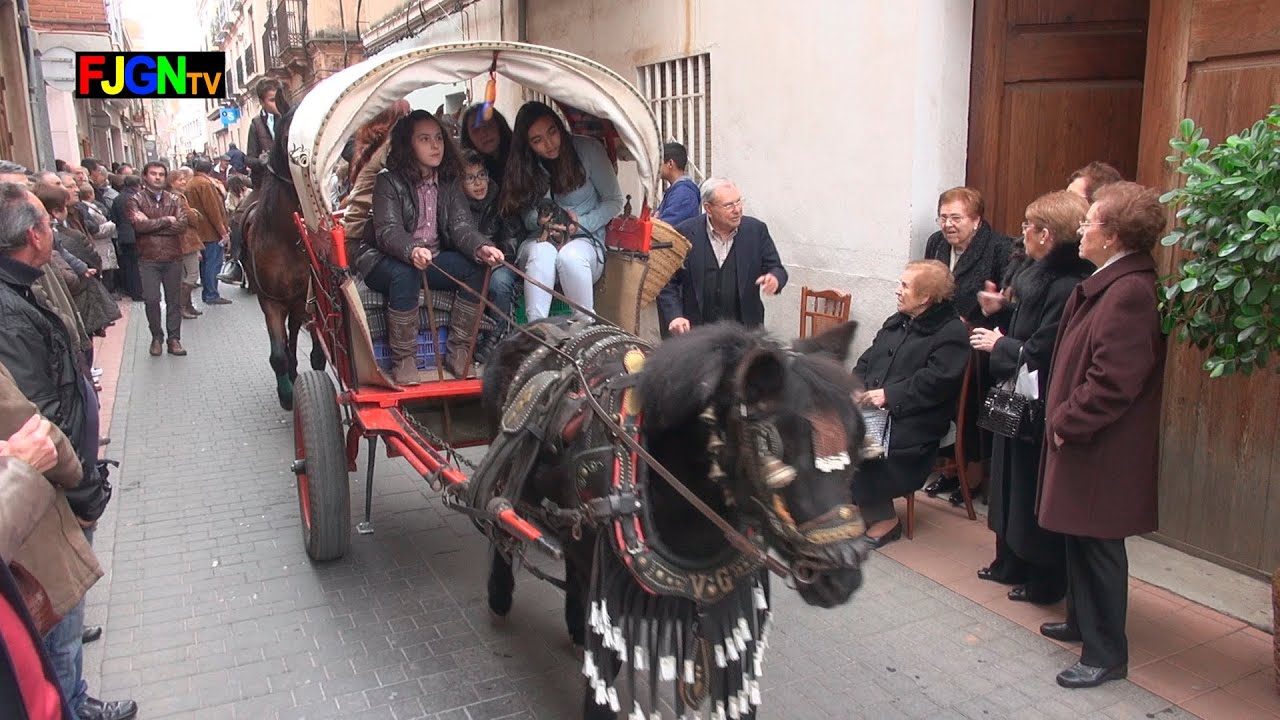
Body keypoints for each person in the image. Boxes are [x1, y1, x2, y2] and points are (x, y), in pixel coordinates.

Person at [0, 183, 134, 720]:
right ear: (35, 234)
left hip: (54, 480)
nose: (54, 232)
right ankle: (72, 703)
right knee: (54, 607)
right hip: (48, 488)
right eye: (49, 226)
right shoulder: (10, 311)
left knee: (62, 604)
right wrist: (83, 488)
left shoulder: (22, 289)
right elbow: (36, 418)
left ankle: (73, 692)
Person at [1037, 182, 1166, 689]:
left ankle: (1107, 653)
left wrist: (1067, 421)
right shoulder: (1110, 281)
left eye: (1090, 220)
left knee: (1100, 547)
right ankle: (1082, 622)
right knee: (1080, 537)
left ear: (1111, 236)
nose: (1081, 227)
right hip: (1087, 442)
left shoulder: (1130, 291)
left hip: (1100, 447)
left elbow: (1113, 382)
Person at [968, 191, 1093, 604]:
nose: (1021, 234)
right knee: (1003, 476)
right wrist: (998, 313)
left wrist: (999, 344)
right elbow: (1021, 325)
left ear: (1047, 234)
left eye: (1027, 226)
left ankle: (1043, 575)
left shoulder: (1067, 284)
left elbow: (1045, 346)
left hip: (1036, 398)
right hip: (1013, 391)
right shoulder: (1035, 274)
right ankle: (1010, 558)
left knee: (1026, 484)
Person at [354, 110, 505, 382]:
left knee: (477, 267)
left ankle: (460, 351)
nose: (435, 145)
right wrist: (412, 250)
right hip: (385, 260)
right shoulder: (388, 181)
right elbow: (388, 231)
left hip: (431, 258)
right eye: (425, 139)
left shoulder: (448, 181)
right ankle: (404, 359)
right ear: (408, 145)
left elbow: (461, 226)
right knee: (406, 273)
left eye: (438, 138)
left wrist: (482, 247)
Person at [850, 260, 969, 546]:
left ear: (925, 297)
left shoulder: (950, 332)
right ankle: (855, 503)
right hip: (878, 410)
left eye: (904, 285)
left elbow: (937, 381)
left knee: (864, 447)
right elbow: (868, 359)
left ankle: (885, 520)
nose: (897, 291)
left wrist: (889, 395)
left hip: (917, 418)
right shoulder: (899, 320)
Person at [499, 101, 624, 320]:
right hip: (539, 242)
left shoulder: (588, 150)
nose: (549, 144)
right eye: (537, 141)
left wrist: (581, 223)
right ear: (527, 145)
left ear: (560, 127)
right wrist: (540, 223)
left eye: (552, 132)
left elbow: (614, 201)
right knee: (542, 252)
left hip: (586, 241)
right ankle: (536, 333)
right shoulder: (526, 167)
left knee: (570, 257)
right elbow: (525, 215)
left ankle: (585, 327)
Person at [658, 178, 787, 333]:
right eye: (728, 205)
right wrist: (675, 316)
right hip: (697, 333)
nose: (737, 210)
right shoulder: (685, 233)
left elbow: (776, 268)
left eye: (738, 202)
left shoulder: (756, 231)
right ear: (708, 208)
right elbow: (667, 282)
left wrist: (775, 278)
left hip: (744, 332)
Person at [458, 149, 519, 361]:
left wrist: (498, 258)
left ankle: (497, 336)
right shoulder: (455, 203)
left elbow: (511, 239)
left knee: (500, 282)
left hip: (499, 263)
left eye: (482, 175)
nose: (478, 183)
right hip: (469, 262)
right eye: (470, 178)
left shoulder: (499, 198)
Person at [125, 162, 190, 356]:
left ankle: (174, 339)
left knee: (174, 301)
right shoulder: (135, 200)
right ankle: (156, 337)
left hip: (173, 257)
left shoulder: (175, 199)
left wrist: (152, 224)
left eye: (161, 174)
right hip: (148, 258)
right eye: (153, 174)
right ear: (145, 177)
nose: (158, 177)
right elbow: (138, 227)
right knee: (152, 300)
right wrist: (165, 221)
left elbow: (182, 225)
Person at [923, 187, 1013, 322]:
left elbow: (1007, 308)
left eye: (956, 218)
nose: (947, 224)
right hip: (937, 327)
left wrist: (994, 306)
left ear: (976, 221)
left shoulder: (1001, 249)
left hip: (977, 332)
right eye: (943, 218)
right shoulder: (936, 242)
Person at [186, 159, 231, 306]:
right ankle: (211, 294)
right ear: (210, 169)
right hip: (210, 231)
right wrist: (223, 231)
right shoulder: (205, 184)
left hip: (199, 230)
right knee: (213, 263)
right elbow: (213, 210)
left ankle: (208, 292)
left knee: (205, 264)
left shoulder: (191, 183)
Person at [167, 167, 205, 319]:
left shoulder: (173, 196)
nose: (183, 181)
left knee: (184, 275)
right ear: (172, 182)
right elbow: (192, 218)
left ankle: (187, 306)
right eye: (180, 179)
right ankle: (182, 307)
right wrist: (194, 213)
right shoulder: (178, 198)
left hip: (182, 240)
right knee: (192, 275)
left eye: (184, 179)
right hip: (187, 240)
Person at [246, 79, 290, 188]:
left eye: (279, 99)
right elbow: (249, 159)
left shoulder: (289, 119)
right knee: (245, 206)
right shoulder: (256, 124)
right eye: (272, 100)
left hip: (289, 181)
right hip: (265, 184)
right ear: (261, 102)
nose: (277, 104)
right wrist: (261, 161)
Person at [109, 175, 143, 301]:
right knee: (138, 266)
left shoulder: (118, 198)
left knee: (129, 265)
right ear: (137, 185)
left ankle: (132, 291)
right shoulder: (137, 198)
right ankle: (139, 292)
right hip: (136, 234)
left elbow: (113, 218)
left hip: (123, 236)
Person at [459, 103, 512, 182]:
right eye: (476, 130)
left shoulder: (522, 156)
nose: (484, 133)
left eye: (489, 125)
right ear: (468, 136)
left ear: (499, 125)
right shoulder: (464, 173)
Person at [656, 142, 700, 225]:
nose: (656, 167)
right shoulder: (677, 190)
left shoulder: (683, 193)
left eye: (659, 163)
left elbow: (666, 226)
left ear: (670, 163)